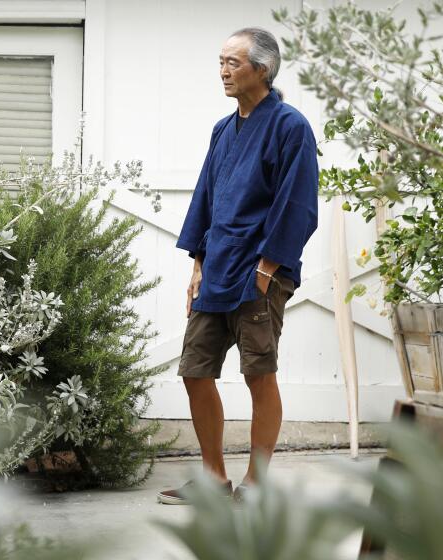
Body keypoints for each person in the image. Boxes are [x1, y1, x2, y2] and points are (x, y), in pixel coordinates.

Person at [157, 27, 319, 505]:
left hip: (260, 271)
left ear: (262, 70)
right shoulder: (223, 130)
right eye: (221, 61)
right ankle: (213, 480)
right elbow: (206, 198)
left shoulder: (291, 127)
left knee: (258, 373)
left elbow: (298, 205)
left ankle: (257, 484)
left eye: (234, 62)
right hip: (218, 267)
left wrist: (267, 268)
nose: (224, 70)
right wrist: (198, 264)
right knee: (194, 369)